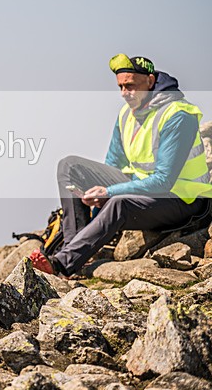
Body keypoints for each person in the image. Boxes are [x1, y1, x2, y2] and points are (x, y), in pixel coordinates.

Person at [30, 54, 212, 277]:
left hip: (184, 199)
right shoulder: (127, 113)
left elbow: (164, 181)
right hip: (144, 186)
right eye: (121, 87)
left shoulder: (178, 115)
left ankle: (61, 264)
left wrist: (109, 192)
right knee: (69, 166)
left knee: (119, 203)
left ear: (150, 81)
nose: (124, 93)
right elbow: (113, 164)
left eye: (130, 86)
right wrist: (99, 199)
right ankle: (74, 247)